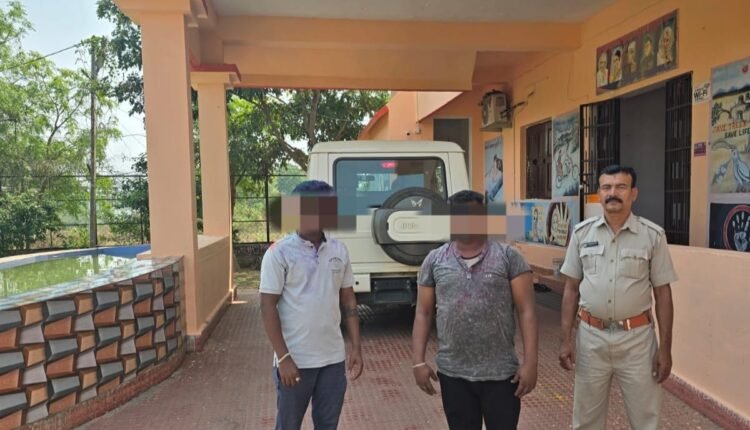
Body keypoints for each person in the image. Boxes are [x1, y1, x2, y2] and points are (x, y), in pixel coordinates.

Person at [558, 165, 677, 430]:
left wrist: (665, 348)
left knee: (646, 420)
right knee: (586, 420)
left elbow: (663, 294)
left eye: (621, 187)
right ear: (599, 194)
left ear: (633, 193)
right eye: (607, 187)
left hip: (637, 342)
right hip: (591, 339)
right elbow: (571, 289)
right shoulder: (582, 234)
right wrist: (565, 340)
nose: (613, 193)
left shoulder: (652, 236)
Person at [412, 190, 538, 430]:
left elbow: (527, 312)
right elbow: (423, 313)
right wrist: (418, 362)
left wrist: (531, 363)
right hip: (453, 373)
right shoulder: (435, 260)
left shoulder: (509, 258)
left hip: (501, 374)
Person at [260, 180, 364, 430]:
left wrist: (356, 347)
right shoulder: (279, 253)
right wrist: (283, 357)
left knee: (328, 424)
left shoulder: (339, 250)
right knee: (288, 425)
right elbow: (267, 306)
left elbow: (348, 299)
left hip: (332, 360)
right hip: (295, 360)